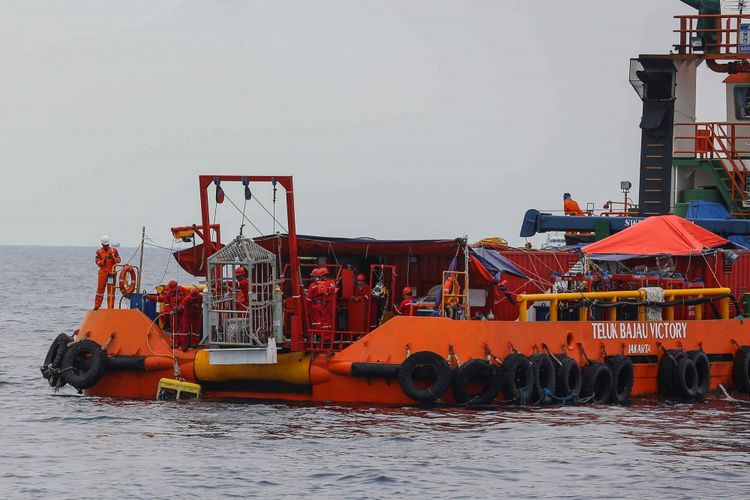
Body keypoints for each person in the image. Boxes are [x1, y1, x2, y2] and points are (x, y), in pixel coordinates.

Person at [94, 235, 121, 310]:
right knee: (100, 291)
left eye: (107, 245)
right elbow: (98, 262)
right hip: (102, 273)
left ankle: (110, 307)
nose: (106, 246)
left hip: (111, 274)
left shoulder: (114, 251)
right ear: (102, 245)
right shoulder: (99, 252)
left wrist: (113, 258)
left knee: (111, 291)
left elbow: (119, 260)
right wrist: (104, 260)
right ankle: (97, 306)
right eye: (105, 245)